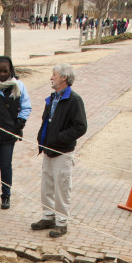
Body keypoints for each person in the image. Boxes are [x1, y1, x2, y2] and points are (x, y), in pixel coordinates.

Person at [31, 64, 87, 238]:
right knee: (46, 185)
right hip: (48, 150)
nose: (51, 78)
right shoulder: (52, 98)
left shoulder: (74, 100)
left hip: (62, 152)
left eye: (54, 75)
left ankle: (62, 222)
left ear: (63, 77)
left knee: (62, 187)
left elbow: (80, 127)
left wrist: (61, 137)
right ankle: (48, 216)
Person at [0, 56, 32, 210]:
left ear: (10, 71)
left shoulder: (19, 86)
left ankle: (6, 195)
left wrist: (19, 124)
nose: (2, 74)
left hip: (8, 135)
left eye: (5, 71)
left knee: (5, 165)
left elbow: (26, 107)